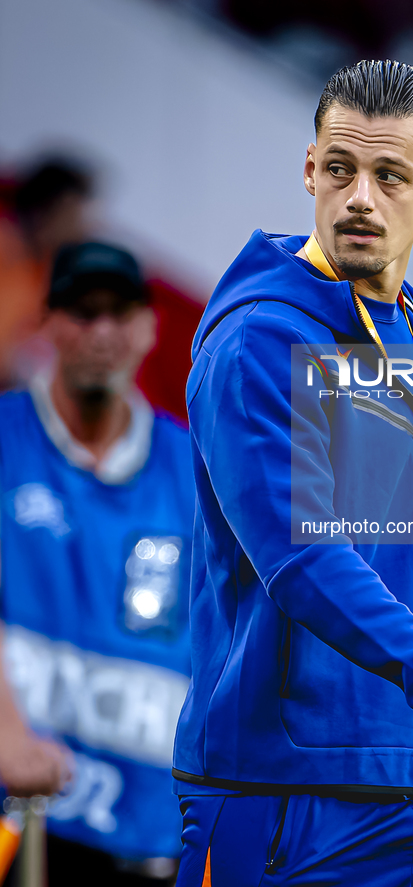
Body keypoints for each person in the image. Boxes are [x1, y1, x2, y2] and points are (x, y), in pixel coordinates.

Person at [173, 60, 413, 886]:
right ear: (310, 169)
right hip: (281, 800)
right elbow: (301, 557)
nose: (358, 199)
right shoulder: (256, 342)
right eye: (340, 170)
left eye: (390, 176)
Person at [0, 242, 194, 885]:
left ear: (149, 327)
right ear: (48, 321)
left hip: (145, 837)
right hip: (14, 821)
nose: (102, 331)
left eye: (120, 312)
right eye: (84, 312)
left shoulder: (199, 476)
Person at [0, 158, 93, 387]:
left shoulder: (48, 268)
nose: (81, 230)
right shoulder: (8, 257)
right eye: (71, 217)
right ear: (41, 214)